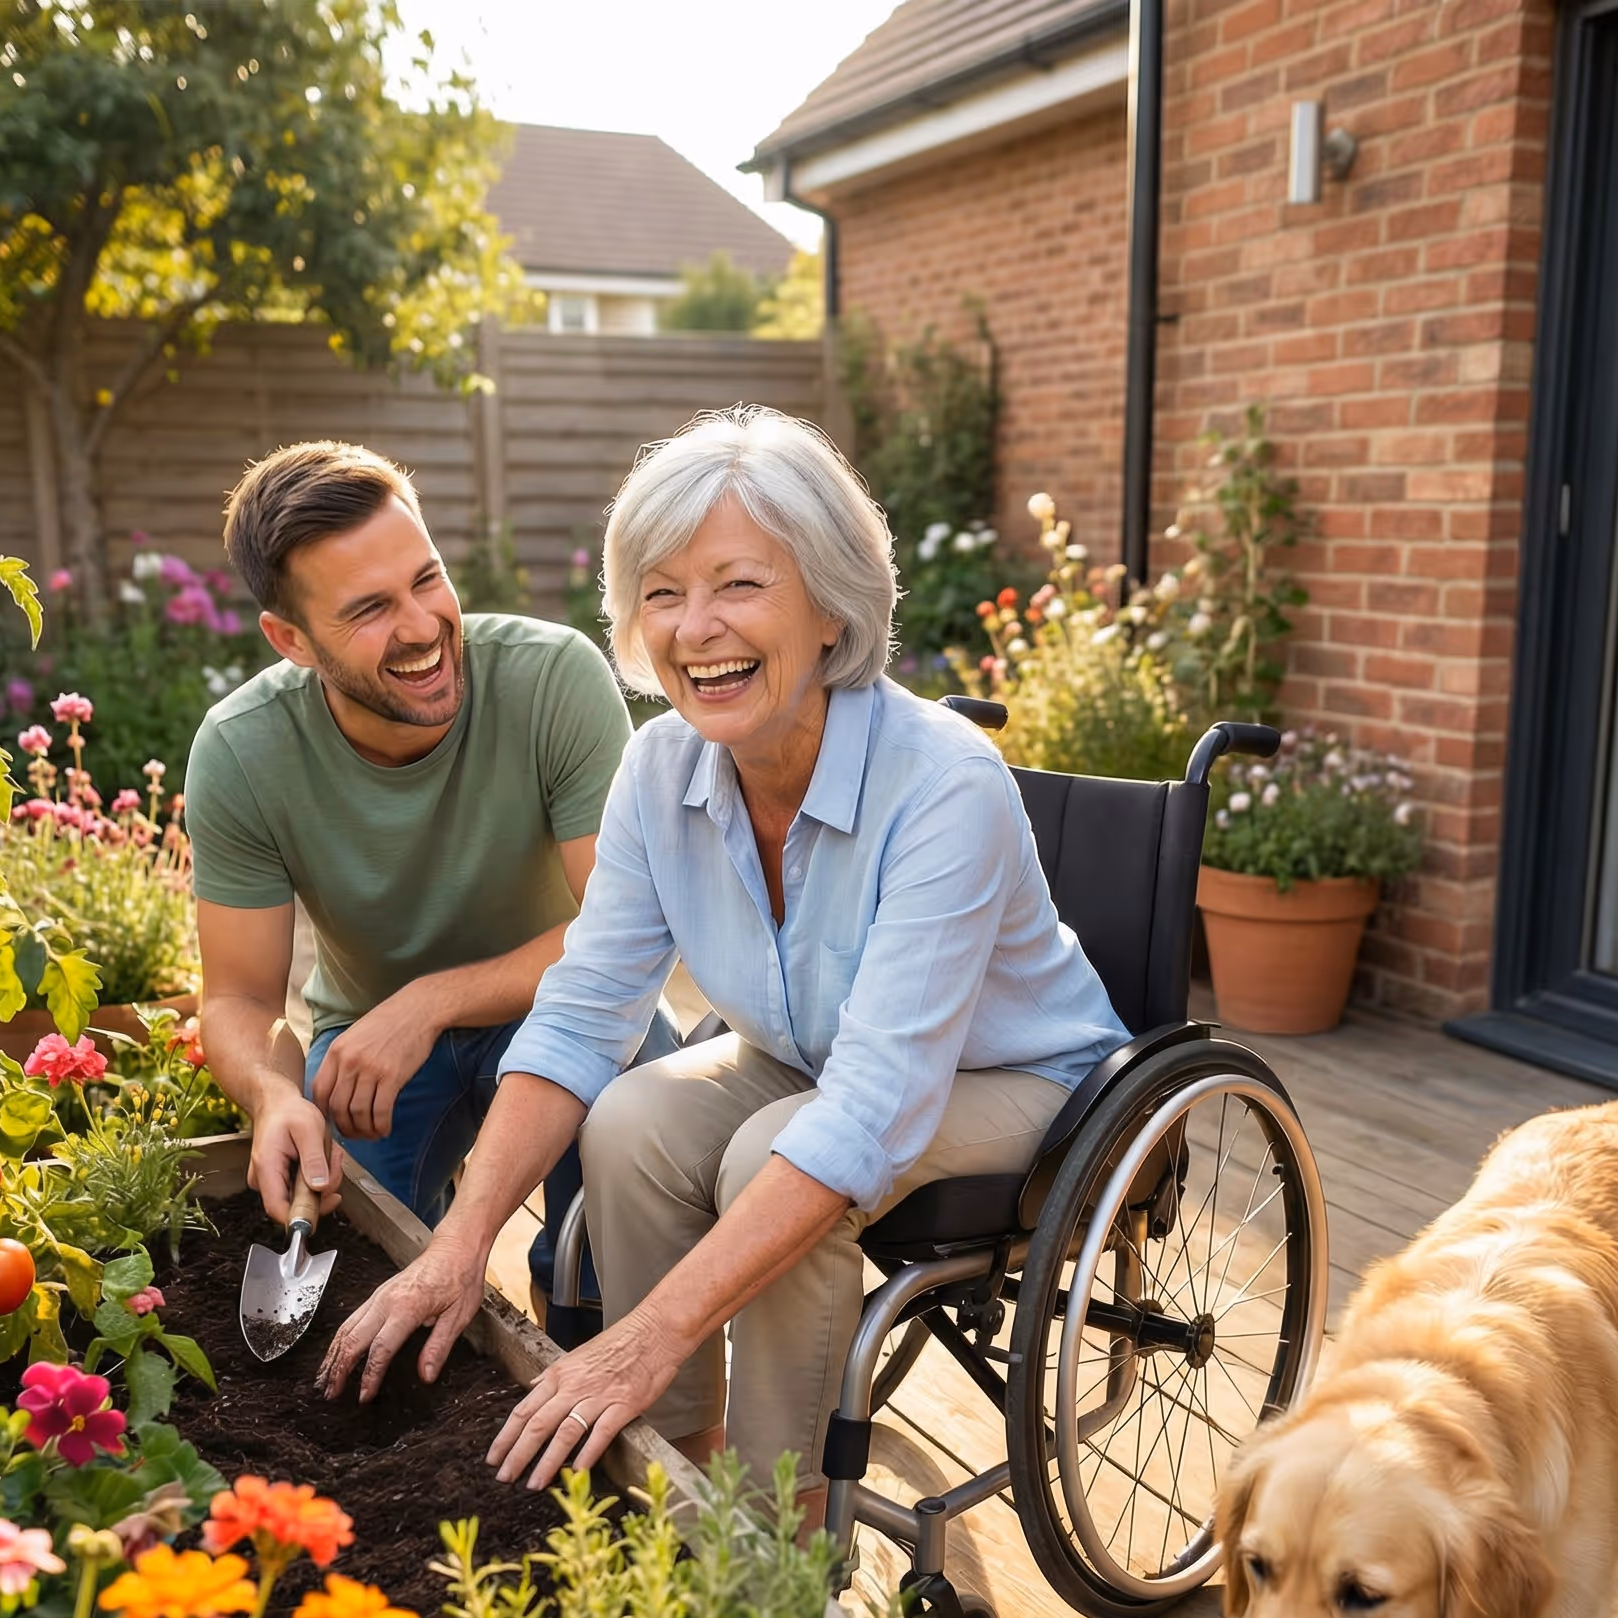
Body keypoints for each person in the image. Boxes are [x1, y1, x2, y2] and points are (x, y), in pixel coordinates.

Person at [319, 407, 1129, 1508]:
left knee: (773, 1156)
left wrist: (639, 1332)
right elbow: (579, 1015)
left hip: (1024, 1083)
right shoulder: (658, 769)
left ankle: (779, 1528)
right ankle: (671, 1480)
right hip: (803, 1059)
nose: (694, 626)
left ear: (831, 600)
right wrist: (458, 1246)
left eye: (738, 584)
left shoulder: (943, 781)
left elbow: (871, 1107)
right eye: (660, 592)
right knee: (631, 1117)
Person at [186, 440, 663, 1327]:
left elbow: (623, 931)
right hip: (372, 1047)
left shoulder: (551, 679)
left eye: (426, 579)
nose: (419, 626)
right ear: (291, 640)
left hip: (571, 1004)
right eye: (369, 608)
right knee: (352, 1247)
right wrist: (274, 1094)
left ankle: (586, 1343)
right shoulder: (243, 750)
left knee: (628, 1239)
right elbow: (239, 998)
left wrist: (432, 1001)